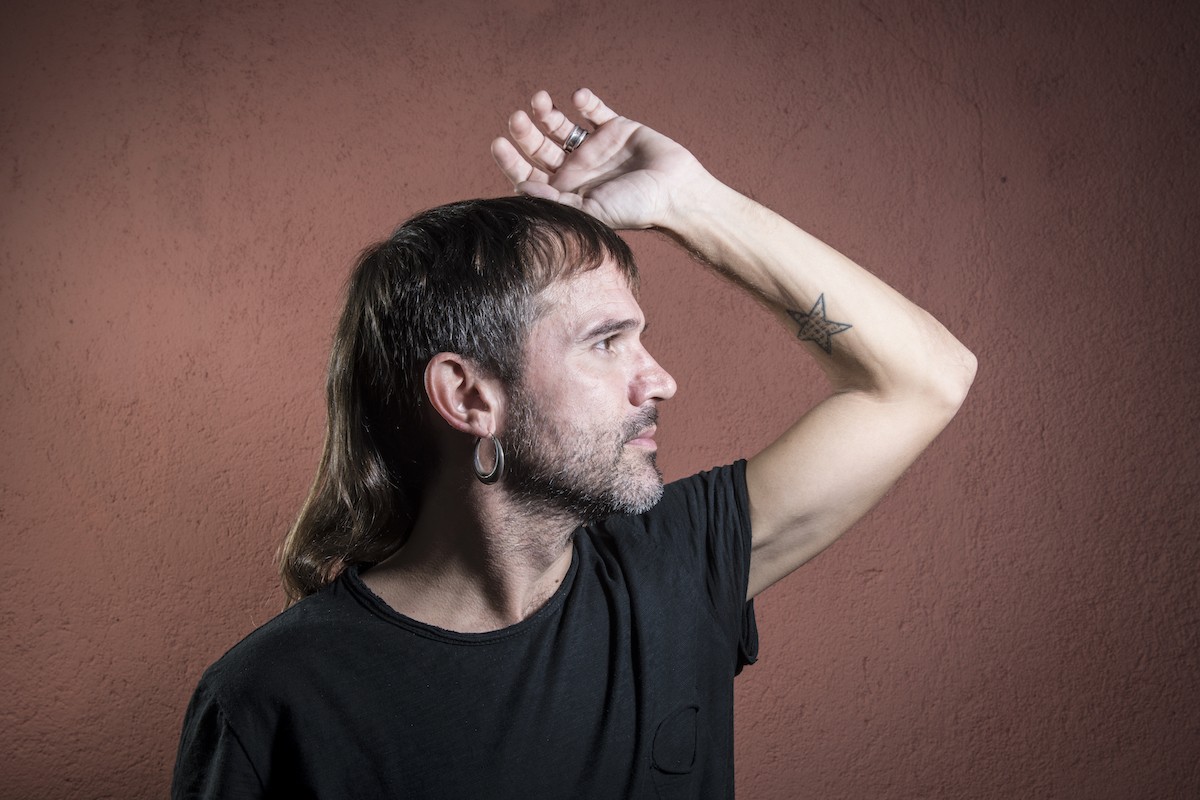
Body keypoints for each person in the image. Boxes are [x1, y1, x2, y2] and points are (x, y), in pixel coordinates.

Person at [172, 89, 976, 799]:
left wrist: (690, 203)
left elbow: (923, 379)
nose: (660, 380)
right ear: (470, 397)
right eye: (606, 342)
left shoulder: (676, 568)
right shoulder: (269, 701)